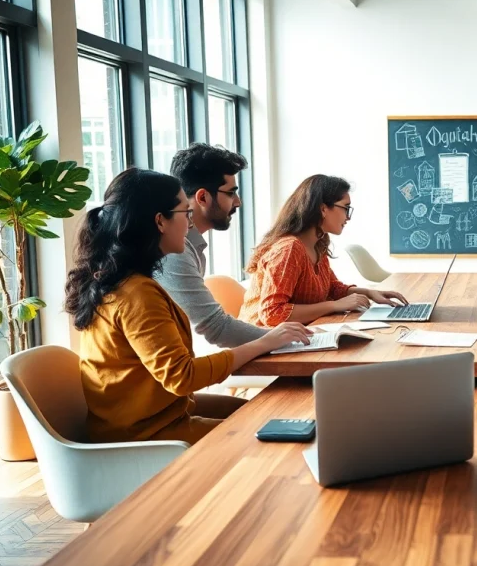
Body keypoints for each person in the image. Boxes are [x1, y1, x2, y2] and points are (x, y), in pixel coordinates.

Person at [64, 168, 311, 444]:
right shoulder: (137, 293)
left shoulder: (120, 281)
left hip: (154, 418)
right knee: (270, 431)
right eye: (185, 213)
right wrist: (265, 343)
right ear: (160, 221)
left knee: (269, 415)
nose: (191, 224)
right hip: (146, 436)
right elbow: (182, 376)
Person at [154, 143, 282, 347]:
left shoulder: (189, 246)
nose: (238, 202)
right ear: (203, 197)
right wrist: (282, 337)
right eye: (231, 193)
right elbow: (217, 328)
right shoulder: (174, 252)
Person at [240, 174, 407, 327]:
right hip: (262, 345)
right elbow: (272, 313)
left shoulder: (318, 243)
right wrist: (334, 305)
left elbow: (332, 288)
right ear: (323, 209)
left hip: (293, 336)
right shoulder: (289, 249)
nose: (348, 217)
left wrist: (370, 293)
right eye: (346, 208)